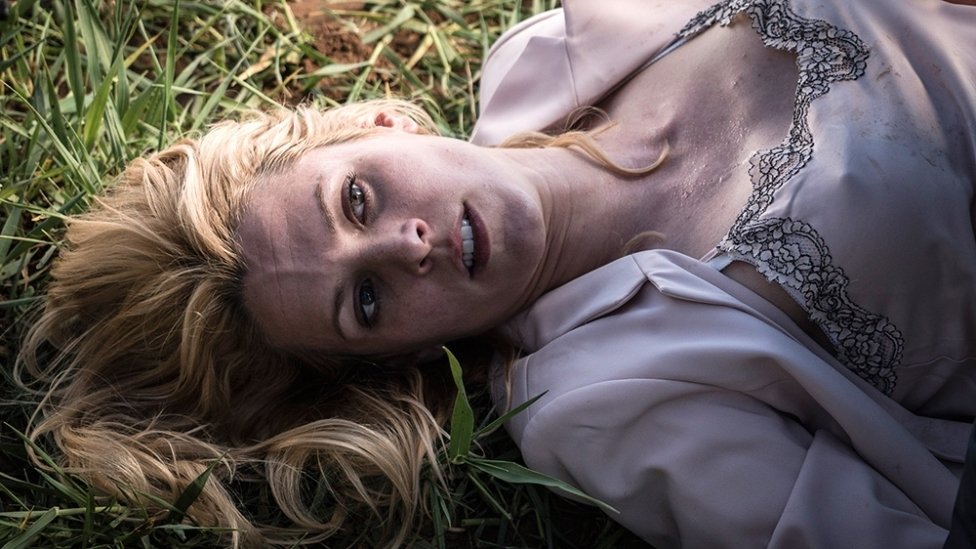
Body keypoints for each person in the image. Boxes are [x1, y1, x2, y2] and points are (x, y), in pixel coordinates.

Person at [18, 0, 976, 547]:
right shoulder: (599, 405)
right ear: (402, 356)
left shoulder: (557, 50)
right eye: (366, 301)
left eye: (356, 199)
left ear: (381, 124)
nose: (406, 246)